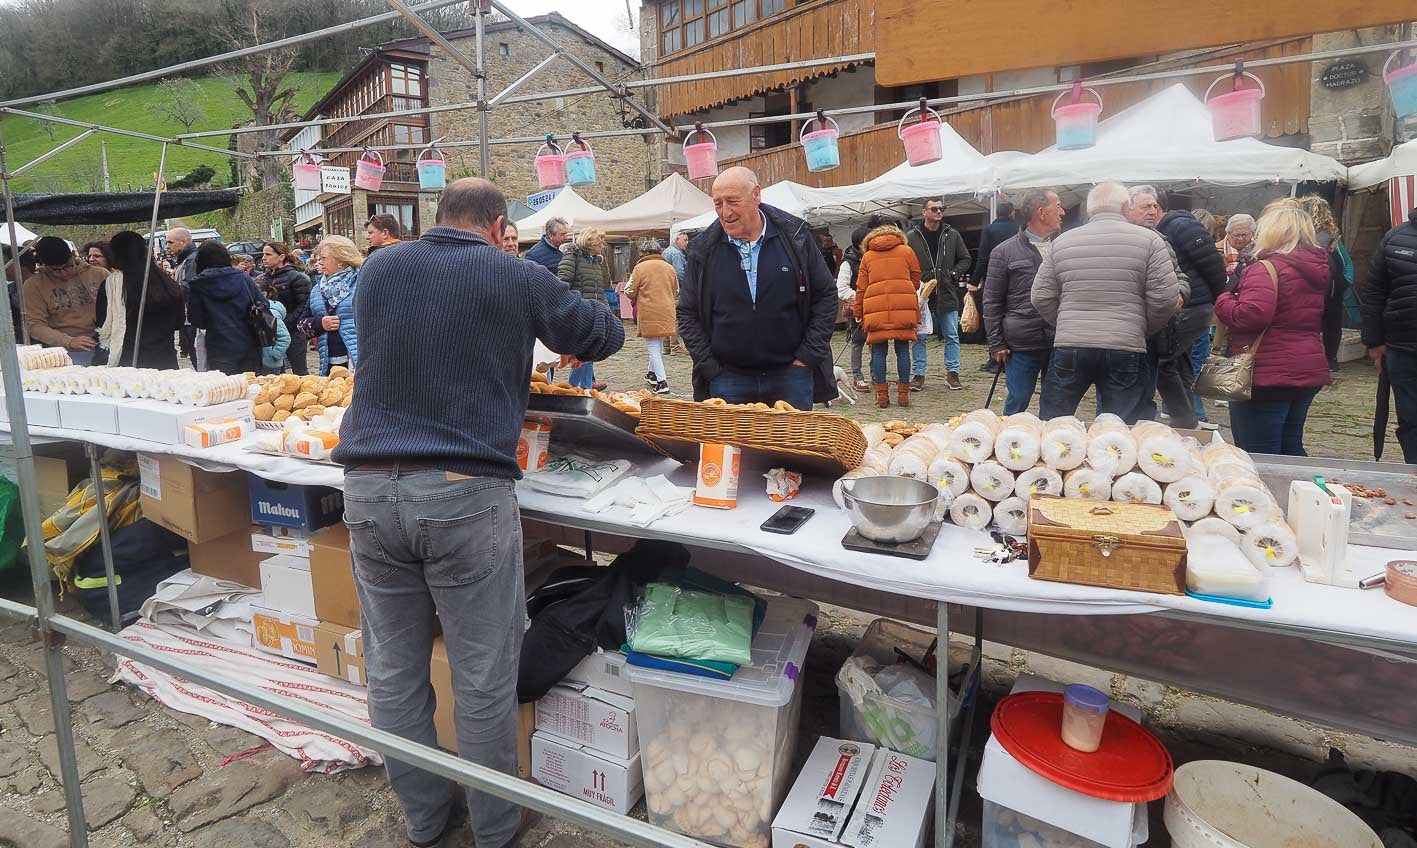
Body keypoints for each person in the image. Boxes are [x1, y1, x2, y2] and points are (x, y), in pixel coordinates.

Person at [330, 178, 621, 848]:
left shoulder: (378, 266)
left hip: (370, 486)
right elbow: (598, 335)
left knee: (394, 671)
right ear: (496, 227)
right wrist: (587, 289)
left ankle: (426, 817)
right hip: (463, 491)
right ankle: (495, 826)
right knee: (483, 673)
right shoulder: (511, 273)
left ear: (438, 220)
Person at [678, 166, 838, 410]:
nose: (725, 212)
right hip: (727, 378)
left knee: (790, 449)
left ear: (756, 194)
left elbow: (825, 295)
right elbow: (687, 313)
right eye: (718, 203)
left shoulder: (795, 237)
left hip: (791, 375)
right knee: (731, 449)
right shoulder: (704, 250)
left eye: (733, 201)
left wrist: (808, 356)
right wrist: (709, 366)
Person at [1032, 182, 1181, 422]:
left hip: (1071, 343)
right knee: (1121, 428)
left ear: (1090, 210)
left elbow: (1040, 295)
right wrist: (1142, 326)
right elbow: (1166, 298)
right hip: (1126, 343)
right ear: (1125, 207)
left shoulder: (1062, 242)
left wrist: (1065, 322)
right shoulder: (1150, 241)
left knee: (1054, 423)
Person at [1213, 202, 1330, 455]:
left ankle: (1270, 493)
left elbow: (1251, 314)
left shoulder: (1266, 267)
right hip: (1306, 364)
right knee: (1290, 445)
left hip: (1267, 370)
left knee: (1258, 453)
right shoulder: (1317, 268)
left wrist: (1224, 299)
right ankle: (1301, 492)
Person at [1150, 187, 1227, 430]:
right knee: (1178, 361)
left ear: (1157, 207)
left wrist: (1212, 300)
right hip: (1189, 306)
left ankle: (1184, 417)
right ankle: (1186, 419)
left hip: (1191, 306)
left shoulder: (1180, 226)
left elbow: (1213, 265)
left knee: (1163, 359)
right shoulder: (1164, 230)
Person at [984, 190, 1063, 415]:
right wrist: (996, 343)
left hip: (1059, 340)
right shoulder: (1004, 252)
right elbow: (991, 301)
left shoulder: (1066, 248)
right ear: (1041, 212)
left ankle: (1052, 446)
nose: (1062, 212)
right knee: (1018, 400)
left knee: (1056, 405)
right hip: (1022, 343)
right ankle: (1012, 442)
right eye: (1057, 206)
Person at [1365, 206, 1417, 462]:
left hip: (1402, 347)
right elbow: (1375, 292)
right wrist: (1374, 342)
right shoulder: (1396, 238)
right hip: (1403, 349)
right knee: (1411, 420)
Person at [906, 197, 971, 391]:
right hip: (922, 292)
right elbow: (905, 263)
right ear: (924, 212)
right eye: (934, 209)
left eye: (941, 209)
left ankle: (953, 373)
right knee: (920, 335)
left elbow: (965, 258)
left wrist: (953, 274)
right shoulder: (912, 236)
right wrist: (913, 281)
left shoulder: (951, 234)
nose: (939, 212)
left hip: (946, 290)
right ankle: (918, 375)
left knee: (951, 334)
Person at [95, 230, 185, 368]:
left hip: (129, 362)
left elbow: (102, 322)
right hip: (164, 360)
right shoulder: (167, 283)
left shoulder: (111, 287)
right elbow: (178, 322)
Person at [854, 223, 921, 408]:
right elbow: (916, 278)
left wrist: (858, 311)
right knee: (902, 349)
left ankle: (882, 396)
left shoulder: (867, 256)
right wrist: (904, 290)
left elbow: (861, 287)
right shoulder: (907, 251)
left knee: (878, 351)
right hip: (903, 305)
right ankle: (903, 395)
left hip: (875, 307)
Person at [186, 241, 267, 375]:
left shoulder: (198, 285)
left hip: (219, 346)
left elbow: (196, 320)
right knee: (250, 388)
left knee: (226, 390)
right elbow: (264, 305)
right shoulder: (243, 279)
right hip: (249, 342)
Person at [23, 236, 107, 364]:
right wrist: (68, 341)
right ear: (43, 264)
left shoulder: (100, 274)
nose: (63, 273)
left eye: (67, 266)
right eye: (55, 270)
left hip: (104, 343)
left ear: (73, 256)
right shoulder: (33, 285)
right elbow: (35, 324)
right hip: (63, 351)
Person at [1296, 195, 1352, 371]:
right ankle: (1330, 360)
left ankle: (1313, 359)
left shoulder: (1301, 235)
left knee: (1310, 323)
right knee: (1332, 323)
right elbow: (1347, 263)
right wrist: (1345, 284)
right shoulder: (1332, 236)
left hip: (1315, 287)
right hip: (1334, 287)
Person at [970, 200, 1021, 374]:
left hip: (994, 279)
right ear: (1012, 213)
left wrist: (974, 281)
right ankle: (1011, 357)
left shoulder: (989, 230)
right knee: (1012, 316)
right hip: (1016, 279)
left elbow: (982, 257)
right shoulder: (1018, 229)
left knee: (993, 317)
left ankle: (994, 359)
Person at [558, 227, 611, 391]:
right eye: (600, 242)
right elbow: (562, 284)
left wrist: (605, 310)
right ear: (591, 242)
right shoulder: (572, 258)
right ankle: (574, 388)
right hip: (579, 313)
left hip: (594, 313)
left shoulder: (595, 261)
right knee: (583, 352)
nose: (602, 245)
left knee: (590, 352)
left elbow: (598, 290)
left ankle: (585, 389)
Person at [836, 217, 885, 393]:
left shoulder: (874, 258)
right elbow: (841, 288)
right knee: (857, 342)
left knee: (876, 342)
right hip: (858, 307)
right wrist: (862, 297)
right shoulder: (848, 262)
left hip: (874, 307)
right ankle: (858, 376)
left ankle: (876, 374)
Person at [626, 241, 678, 394]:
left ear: (646, 253)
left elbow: (629, 290)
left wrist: (637, 296)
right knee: (658, 344)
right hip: (667, 309)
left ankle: (662, 382)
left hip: (649, 311)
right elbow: (676, 290)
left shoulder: (640, 268)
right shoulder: (669, 268)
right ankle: (652, 374)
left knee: (653, 347)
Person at [309, 235, 363, 376]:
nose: (319, 262)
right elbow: (302, 323)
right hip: (329, 362)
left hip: (359, 361)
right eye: (319, 258)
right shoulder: (317, 289)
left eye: (324, 258)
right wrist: (320, 323)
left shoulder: (362, 283)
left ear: (341, 260)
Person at [258, 242, 312, 376]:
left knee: (300, 372)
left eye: (268, 254)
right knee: (275, 374)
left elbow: (304, 305)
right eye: (263, 254)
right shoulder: (263, 278)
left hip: (294, 332)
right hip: (271, 334)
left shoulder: (297, 277)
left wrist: (285, 323)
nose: (264, 258)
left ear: (281, 256)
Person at [258, 281, 291, 375]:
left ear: (264, 294)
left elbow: (285, 337)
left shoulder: (270, 312)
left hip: (270, 364)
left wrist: (274, 355)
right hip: (259, 361)